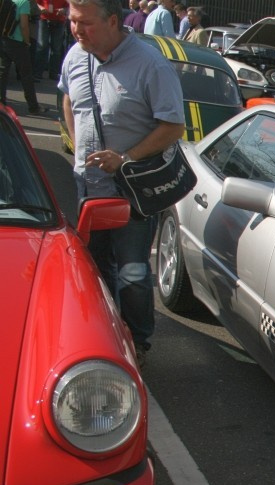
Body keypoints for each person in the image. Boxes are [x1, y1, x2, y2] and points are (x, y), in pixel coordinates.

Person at [60, 0, 185, 366]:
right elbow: (68, 99)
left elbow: (173, 126)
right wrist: (78, 146)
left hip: (130, 192)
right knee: (93, 268)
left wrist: (125, 158)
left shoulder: (150, 65)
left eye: (85, 22)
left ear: (113, 21)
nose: (76, 30)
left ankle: (138, 342)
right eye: (72, 21)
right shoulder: (74, 56)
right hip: (89, 189)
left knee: (131, 272)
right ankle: (101, 337)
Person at [0, 0, 42, 114]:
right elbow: (24, 25)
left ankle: (1, 104)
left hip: (3, 40)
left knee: (2, 74)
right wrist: (27, 42)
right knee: (26, 75)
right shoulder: (23, 2)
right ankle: (33, 106)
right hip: (18, 42)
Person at [34, 0, 68, 80]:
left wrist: (64, 10)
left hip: (59, 20)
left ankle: (54, 73)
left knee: (56, 49)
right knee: (42, 46)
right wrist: (41, 8)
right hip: (44, 19)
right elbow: (36, 3)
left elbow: (69, 5)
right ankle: (38, 73)